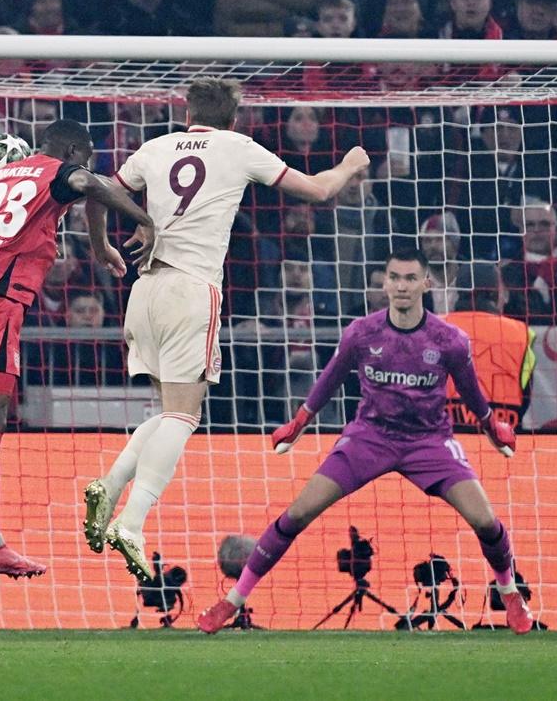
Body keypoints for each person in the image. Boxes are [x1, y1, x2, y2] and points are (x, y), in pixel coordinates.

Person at [82, 77, 369, 582]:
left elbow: (96, 189)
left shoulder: (153, 148)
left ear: (187, 111)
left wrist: (101, 246)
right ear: (233, 119)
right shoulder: (238, 147)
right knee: (184, 418)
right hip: (192, 291)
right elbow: (319, 191)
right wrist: (351, 164)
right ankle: (132, 521)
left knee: (168, 410)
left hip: (143, 292)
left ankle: (110, 485)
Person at [196, 249, 533, 635]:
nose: (402, 286)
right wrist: (299, 422)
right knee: (298, 514)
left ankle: (509, 594)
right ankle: (232, 601)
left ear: (426, 283)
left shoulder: (449, 340)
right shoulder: (362, 333)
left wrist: (493, 428)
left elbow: (472, 393)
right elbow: (329, 379)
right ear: (385, 283)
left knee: (486, 521)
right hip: (368, 438)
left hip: (429, 441)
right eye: (395, 277)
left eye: (410, 278)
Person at [0, 118, 156, 586]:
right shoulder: (58, 170)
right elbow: (86, 182)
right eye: (82, 157)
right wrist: (142, 220)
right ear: (71, 150)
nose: (83, 167)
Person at [444, 263, 535, 430]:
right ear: (495, 293)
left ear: (457, 293)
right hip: (503, 436)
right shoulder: (521, 333)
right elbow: (526, 393)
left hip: (446, 436)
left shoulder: (434, 327)